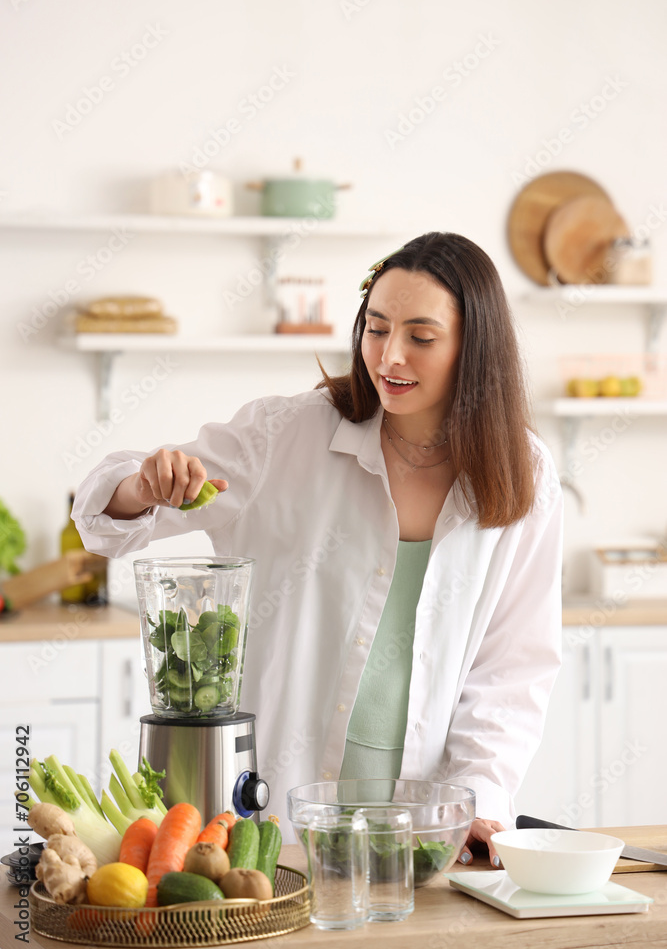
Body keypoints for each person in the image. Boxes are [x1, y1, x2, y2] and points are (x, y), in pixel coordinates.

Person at [73, 231, 563, 865]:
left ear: (476, 346)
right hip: (278, 818)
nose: (390, 356)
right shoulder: (288, 435)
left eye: (421, 336)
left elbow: (512, 671)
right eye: (376, 328)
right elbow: (103, 518)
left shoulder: (523, 472)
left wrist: (483, 801)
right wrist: (144, 485)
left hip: (423, 827)